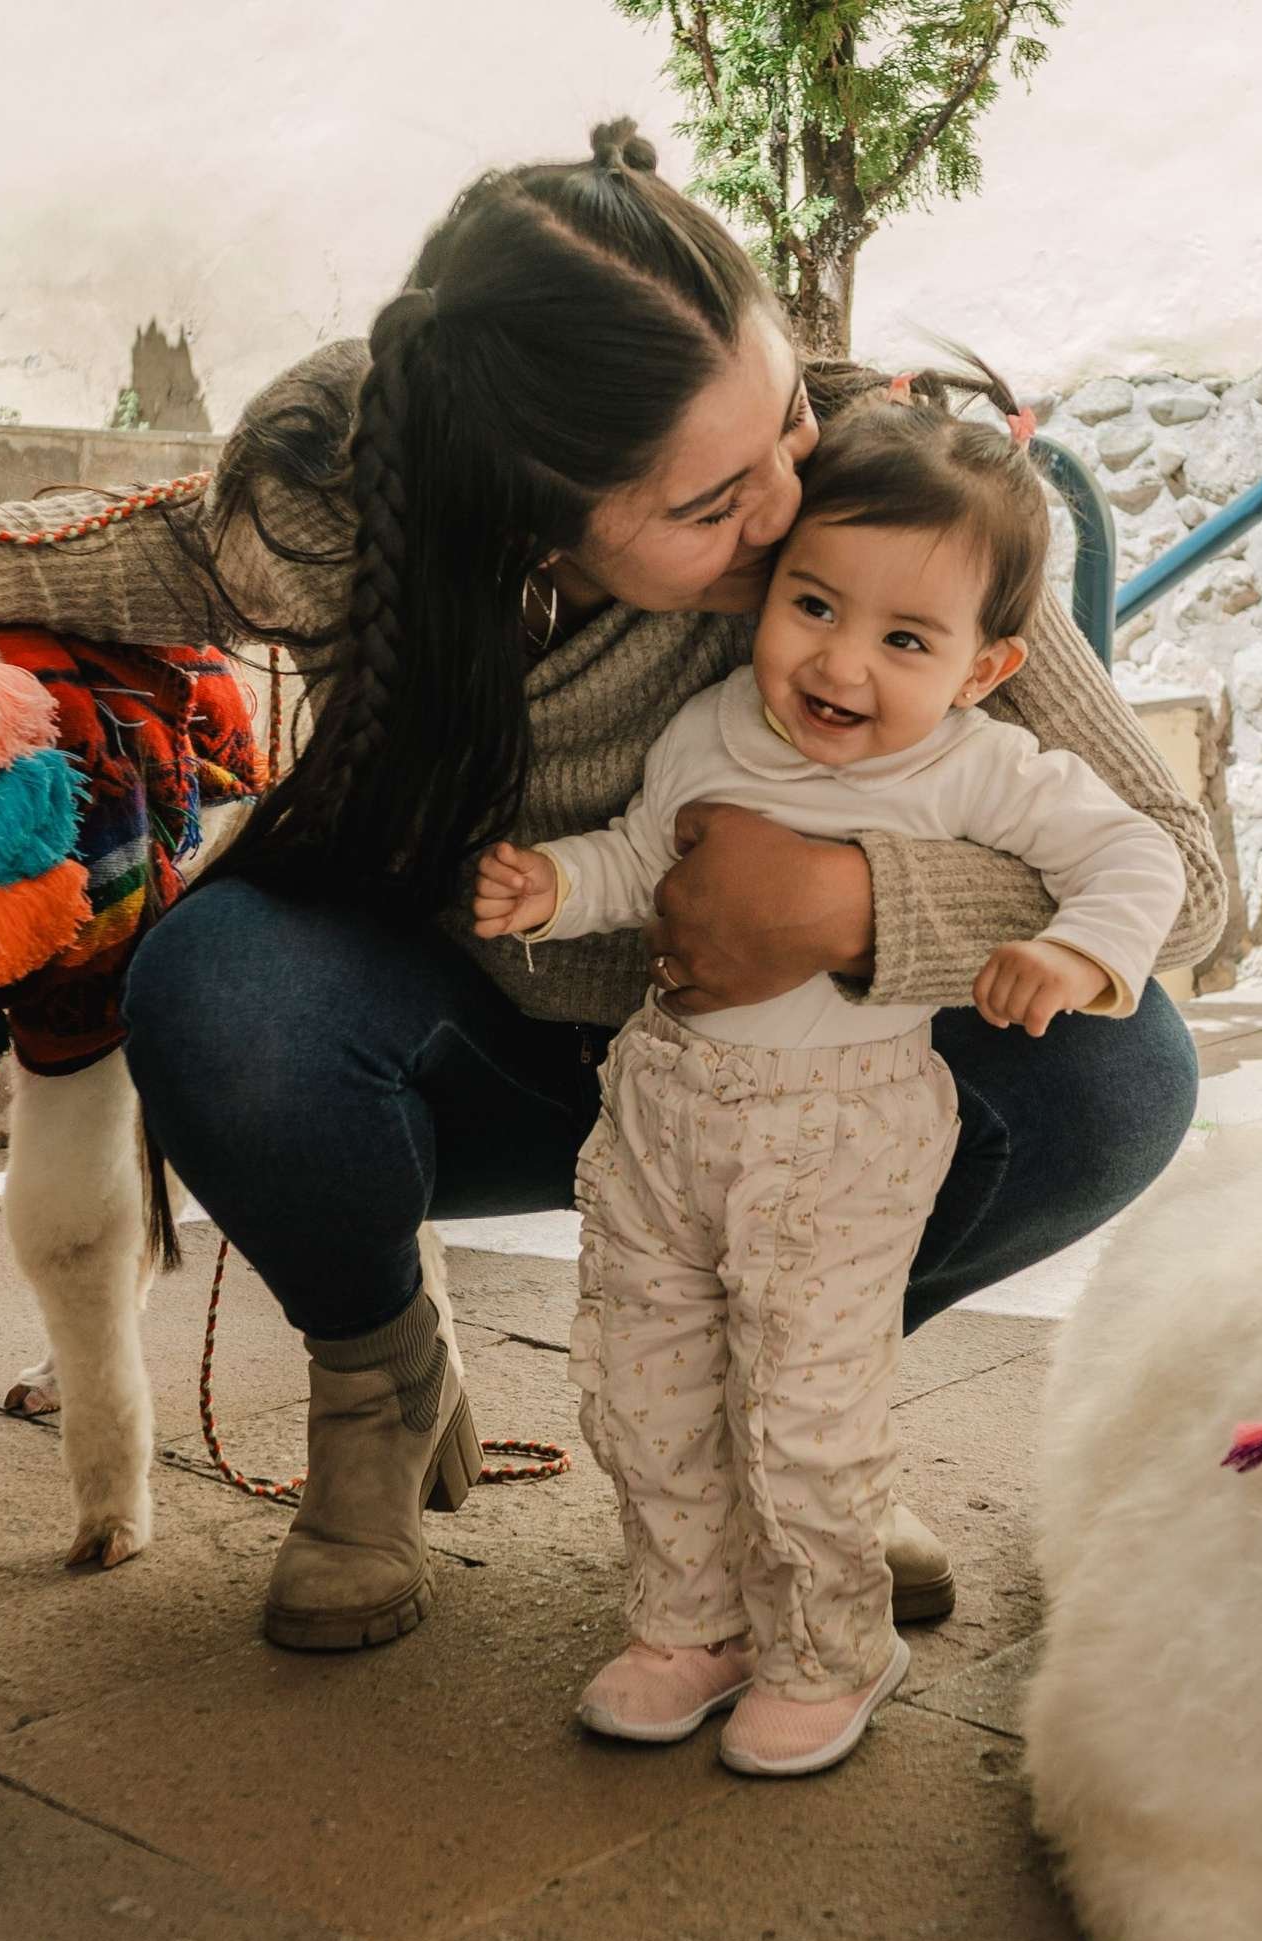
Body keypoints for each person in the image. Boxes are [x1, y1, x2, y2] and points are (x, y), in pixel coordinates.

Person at [0, 120, 1226, 1654]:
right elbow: (86, 557)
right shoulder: (343, 498)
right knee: (220, 991)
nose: (780, 519)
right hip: (479, 1046)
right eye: (712, 507)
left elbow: (1185, 870)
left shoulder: (876, 485)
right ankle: (376, 1385)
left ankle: (811, 1407)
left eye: (782, 449)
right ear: (524, 509)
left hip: (806, 1086)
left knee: (1120, 1061)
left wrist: (850, 905)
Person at [472, 360, 1186, 1773]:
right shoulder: (709, 728)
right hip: (666, 1122)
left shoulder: (974, 769)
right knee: (648, 1389)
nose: (841, 665)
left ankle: (828, 1646)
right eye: (814, 606)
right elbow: (646, 854)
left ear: (984, 668)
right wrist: (557, 884)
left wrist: (1080, 955)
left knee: (807, 1414)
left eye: (906, 641)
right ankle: (691, 1627)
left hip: (840, 1143)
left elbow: (1140, 849)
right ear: (770, 586)